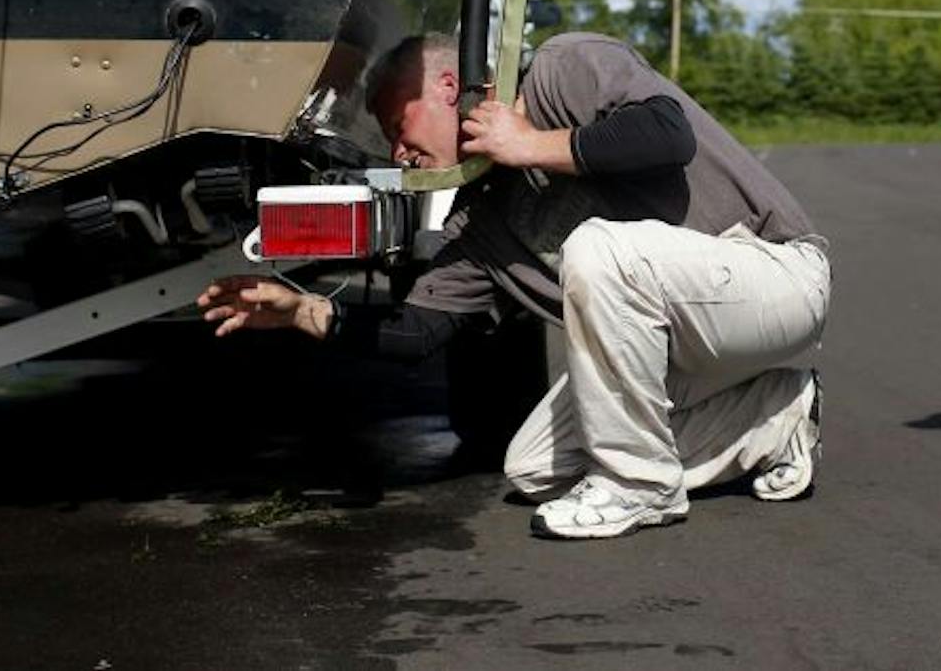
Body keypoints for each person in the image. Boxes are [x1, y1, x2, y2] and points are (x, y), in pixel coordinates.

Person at [199, 31, 830, 540]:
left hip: (774, 278)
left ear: (447, 88)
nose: (398, 152)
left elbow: (667, 133)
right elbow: (416, 333)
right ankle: (776, 418)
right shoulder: (477, 226)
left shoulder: (562, 68)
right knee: (530, 467)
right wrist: (302, 311)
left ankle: (640, 488)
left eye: (399, 124)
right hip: (679, 342)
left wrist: (530, 145)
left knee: (596, 245)